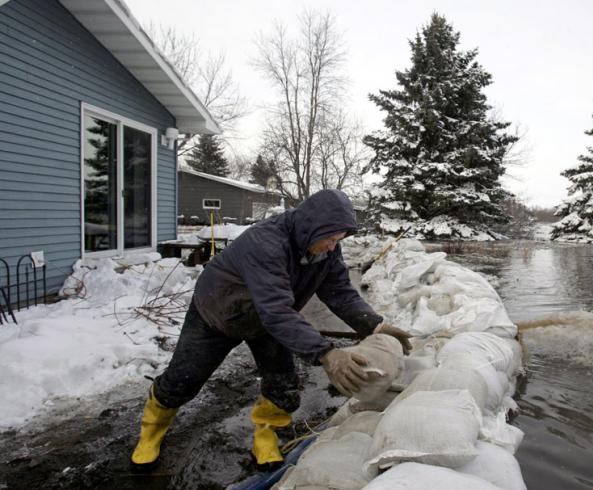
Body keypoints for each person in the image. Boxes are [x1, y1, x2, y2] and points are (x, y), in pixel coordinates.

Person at [131, 189, 411, 471]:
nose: (332, 246)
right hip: (218, 312)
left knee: (283, 384)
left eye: (338, 240)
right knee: (183, 379)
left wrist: (375, 324)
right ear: (311, 227)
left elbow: (338, 291)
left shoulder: (325, 246)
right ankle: (151, 431)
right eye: (329, 239)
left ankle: (265, 436)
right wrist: (327, 355)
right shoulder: (266, 243)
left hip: (268, 320)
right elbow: (276, 310)